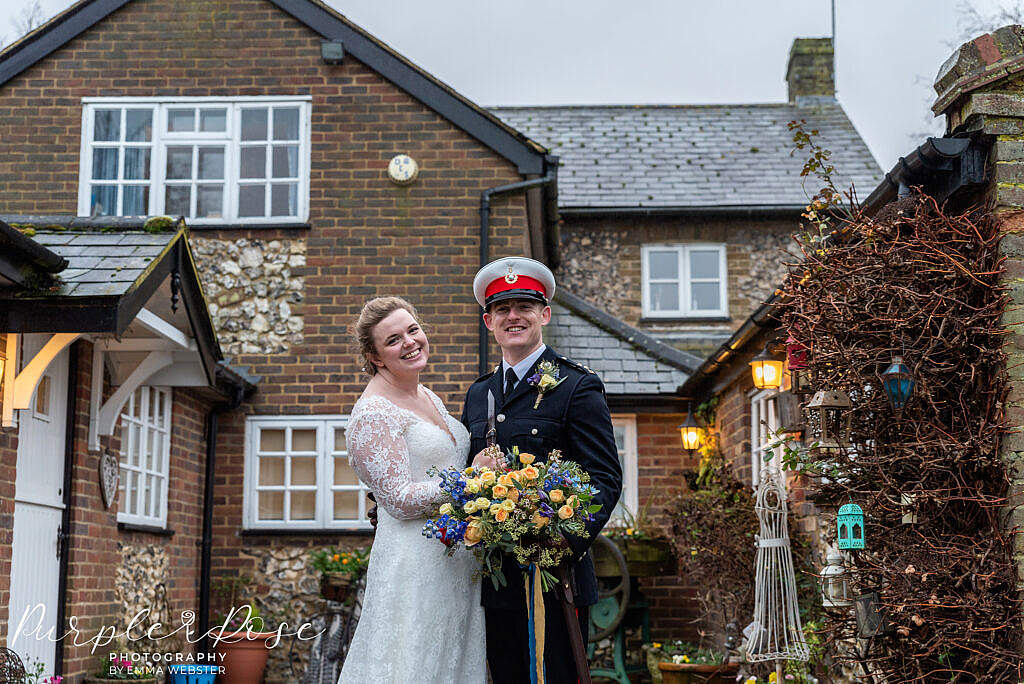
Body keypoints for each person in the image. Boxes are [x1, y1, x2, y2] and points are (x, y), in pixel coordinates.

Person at [462, 256, 622, 684]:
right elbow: (467, 479)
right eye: (502, 309)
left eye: (524, 306)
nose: (513, 316)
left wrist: (556, 545)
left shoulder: (576, 386)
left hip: (555, 578)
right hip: (495, 581)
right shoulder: (479, 395)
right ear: (488, 321)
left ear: (544, 314)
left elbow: (604, 479)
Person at [338, 297, 486, 683]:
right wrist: (473, 479)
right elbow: (399, 500)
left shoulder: (427, 395)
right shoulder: (373, 414)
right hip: (413, 564)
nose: (409, 342)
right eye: (393, 340)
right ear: (375, 357)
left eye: (412, 330)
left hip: (455, 560)